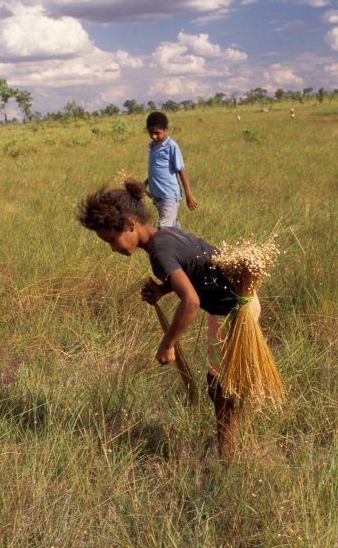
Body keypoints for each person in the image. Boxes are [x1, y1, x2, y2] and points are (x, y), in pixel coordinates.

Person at [76, 179, 259, 456]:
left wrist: (167, 343)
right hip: (233, 304)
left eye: (112, 240)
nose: (112, 247)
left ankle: (227, 454)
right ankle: (228, 444)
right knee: (219, 384)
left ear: (129, 224)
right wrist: (162, 289)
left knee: (220, 387)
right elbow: (193, 269)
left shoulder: (159, 253)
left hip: (234, 310)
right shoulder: (167, 235)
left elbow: (192, 301)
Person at [144, 111, 197, 228]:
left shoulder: (171, 146)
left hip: (169, 196)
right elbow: (156, 171)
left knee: (164, 230)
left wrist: (189, 196)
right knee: (174, 230)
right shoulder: (151, 146)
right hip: (157, 197)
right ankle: (186, 245)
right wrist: (144, 183)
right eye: (150, 132)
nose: (153, 136)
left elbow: (181, 172)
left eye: (157, 133)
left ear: (166, 129)